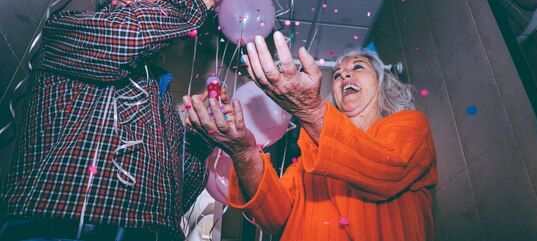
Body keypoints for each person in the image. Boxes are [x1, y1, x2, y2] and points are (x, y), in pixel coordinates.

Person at [0, 0, 220, 241]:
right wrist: (191, 3)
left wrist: (200, 138)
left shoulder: (160, 90)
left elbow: (175, 201)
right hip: (59, 227)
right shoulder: (70, 27)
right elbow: (125, 39)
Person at [185, 31, 438, 241]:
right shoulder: (310, 159)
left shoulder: (409, 125)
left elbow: (385, 167)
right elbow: (274, 217)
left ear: (383, 83)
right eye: (337, 74)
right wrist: (244, 151)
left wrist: (308, 109)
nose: (343, 75)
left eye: (357, 67)